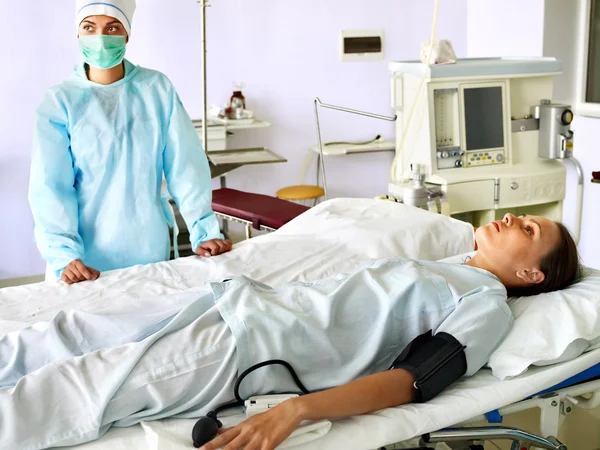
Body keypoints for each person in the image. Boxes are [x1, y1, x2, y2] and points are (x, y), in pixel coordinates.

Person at [0, 214, 580, 450]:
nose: (509, 218)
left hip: (251, 348)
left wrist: (296, 410)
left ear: (531, 273)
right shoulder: (451, 266)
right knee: (64, 328)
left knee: (78, 385)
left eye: (527, 227)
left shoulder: (487, 303)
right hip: (232, 301)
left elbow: (411, 382)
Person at [28, 0, 231, 285]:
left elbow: (186, 167)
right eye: (90, 27)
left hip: (146, 248)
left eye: (112, 27)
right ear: (78, 33)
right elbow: (50, 187)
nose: (100, 37)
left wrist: (205, 231)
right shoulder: (60, 101)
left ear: (127, 34)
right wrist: (64, 255)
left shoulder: (156, 90)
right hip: (81, 261)